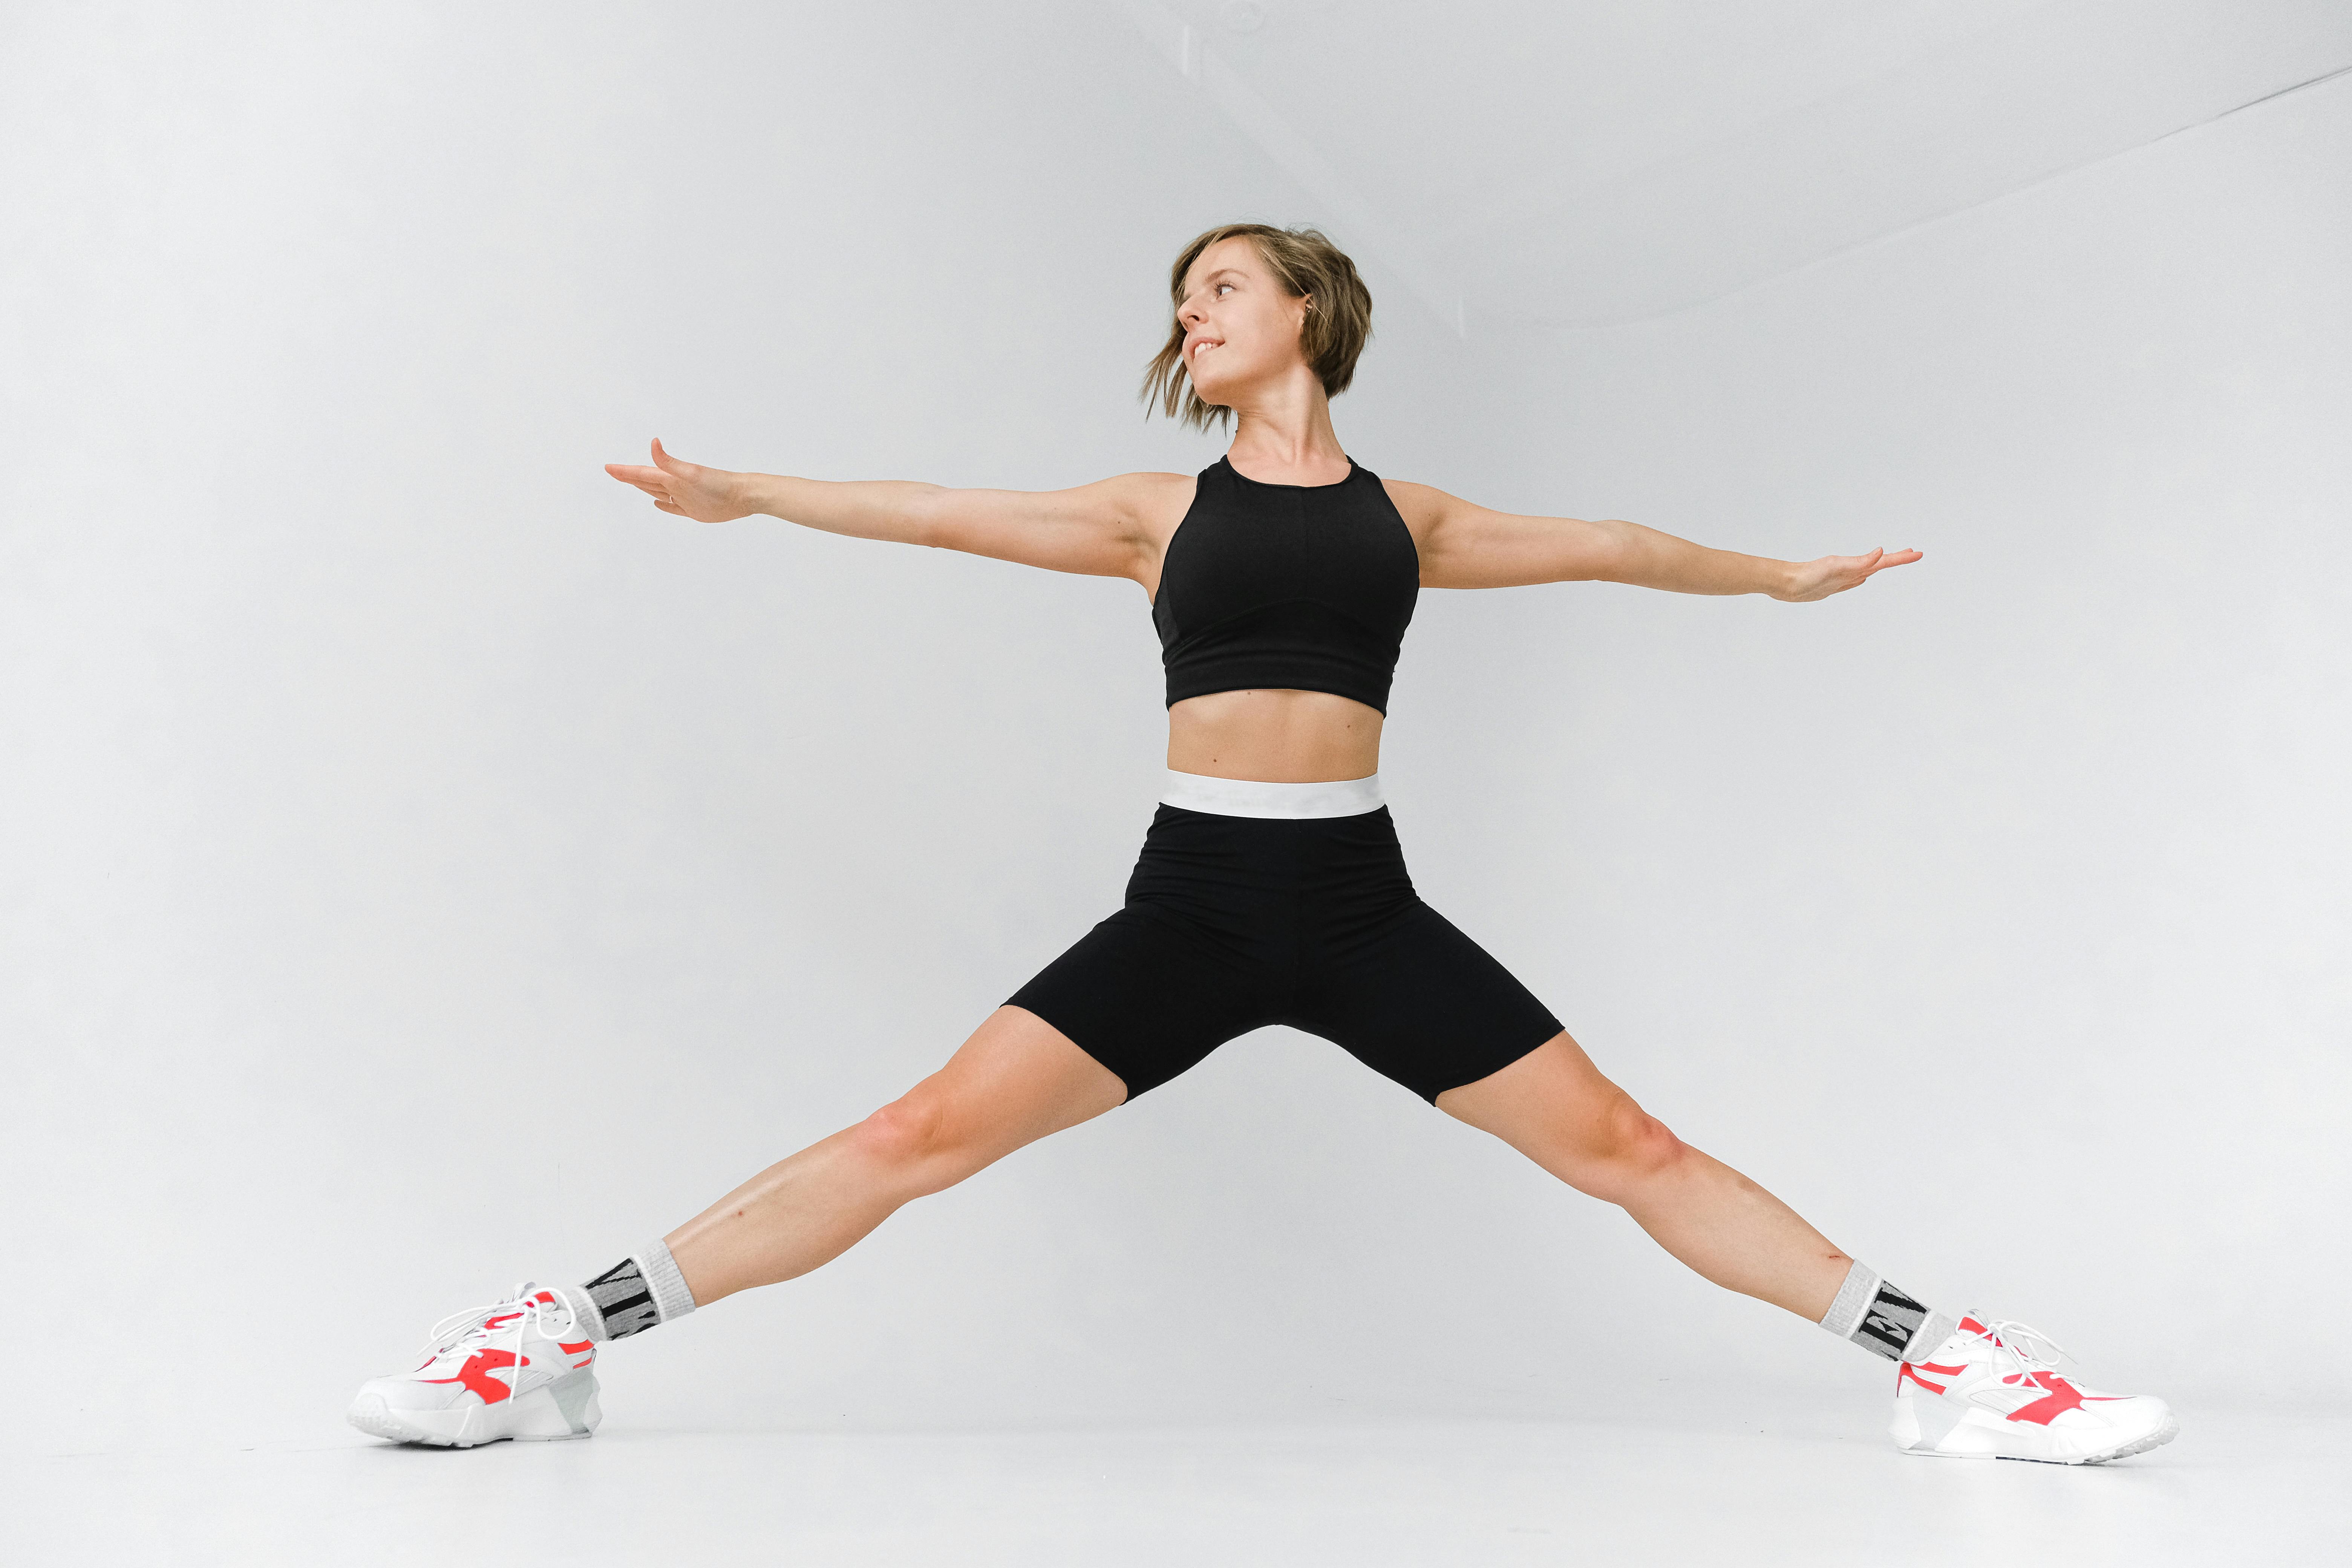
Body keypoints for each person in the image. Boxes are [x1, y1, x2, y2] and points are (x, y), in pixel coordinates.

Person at [347, 222, 2174, 1465]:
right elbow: (932, 512)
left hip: (1361, 909)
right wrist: (747, 489)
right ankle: (547, 1341)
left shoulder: (1415, 517)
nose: (1194, 315)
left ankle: (1952, 1364)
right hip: (1199, 906)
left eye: (1224, 287)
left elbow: (1615, 536)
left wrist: (1783, 574)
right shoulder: (1157, 512)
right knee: (915, 1135)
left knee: (1631, 1146)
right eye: (1185, 299)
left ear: (1308, 308)